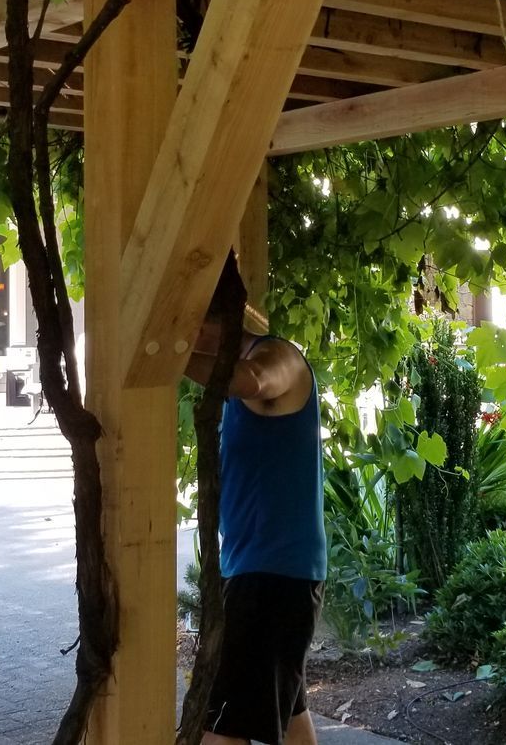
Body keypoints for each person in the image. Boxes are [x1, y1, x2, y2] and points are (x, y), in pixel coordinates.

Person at [186, 262, 324, 745]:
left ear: (213, 319)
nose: (183, 332)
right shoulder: (239, 369)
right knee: (289, 712)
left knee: (221, 727)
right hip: (267, 573)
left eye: (187, 321)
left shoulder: (281, 356)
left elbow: (253, 381)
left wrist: (164, 353)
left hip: (273, 577)